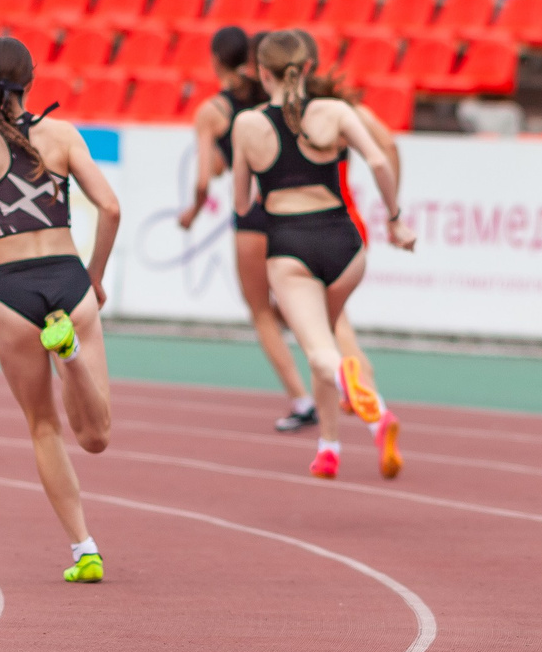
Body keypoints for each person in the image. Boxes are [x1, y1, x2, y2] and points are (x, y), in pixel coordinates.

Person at [0, 35, 123, 583]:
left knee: (44, 427)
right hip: (69, 281)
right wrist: (94, 278)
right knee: (97, 436)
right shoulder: (63, 135)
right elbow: (110, 207)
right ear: (31, 81)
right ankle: (68, 354)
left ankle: (84, 549)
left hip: (11, 292)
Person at [230, 29, 415, 480]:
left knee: (319, 351)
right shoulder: (336, 112)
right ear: (308, 68)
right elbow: (378, 159)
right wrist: (394, 218)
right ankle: (329, 446)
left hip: (291, 248)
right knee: (328, 333)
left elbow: (240, 203)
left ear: (262, 73)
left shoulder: (249, 124)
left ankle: (349, 383)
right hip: (346, 245)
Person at [178, 25, 320, 432]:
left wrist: (192, 212)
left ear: (215, 60)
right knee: (289, 301)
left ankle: (302, 397)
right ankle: (330, 358)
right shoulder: (267, 91)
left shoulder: (213, 111)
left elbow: (208, 178)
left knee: (261, 310)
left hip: (254, 213)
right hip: (291, 206)